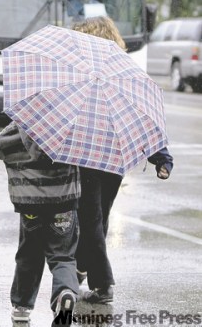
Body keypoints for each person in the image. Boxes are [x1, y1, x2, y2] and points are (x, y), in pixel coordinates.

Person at [71, 16, 174, 304]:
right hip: (115, 159)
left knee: (90, 219)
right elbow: (141, 119)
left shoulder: (81, 73)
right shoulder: (124, 73)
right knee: (97, 218)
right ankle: (80, 268)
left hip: (88, 156)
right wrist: (162, 158)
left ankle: (103, 285)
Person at [0, 122, 80, 326]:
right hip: (64, 202)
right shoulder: (72, 126)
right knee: (63, 256)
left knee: (29, 255)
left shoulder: (22, 125)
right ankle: (65, 292)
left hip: (30, 205)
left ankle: (22, 307)